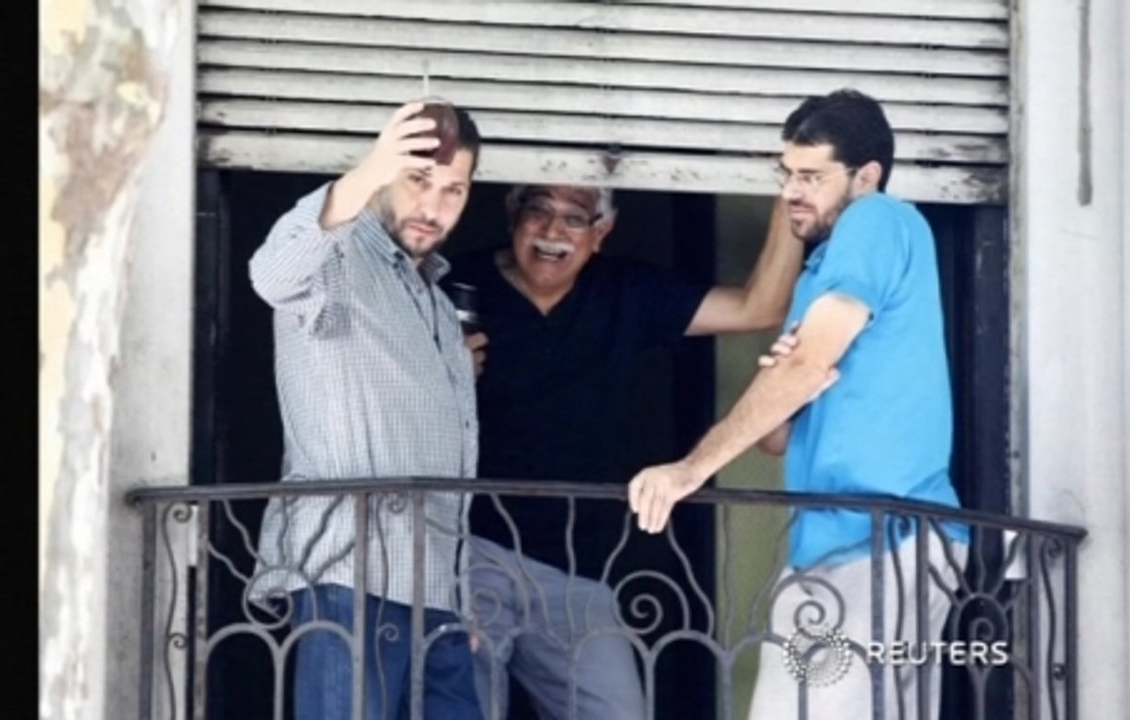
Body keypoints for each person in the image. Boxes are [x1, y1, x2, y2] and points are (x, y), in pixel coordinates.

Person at [626, 88, 970, 720]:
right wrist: (789, 382)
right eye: (786, 174)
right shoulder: (820, 272)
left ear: (866, 177)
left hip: (883, 537)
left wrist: (688, 470)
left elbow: (811, 365)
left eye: (812, 176)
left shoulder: (878, 219)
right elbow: (779, 438)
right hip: (832, 546)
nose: (791, 191)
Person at [445, 182, 805, 719]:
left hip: (580, 569)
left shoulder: (625, 290)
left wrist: (789, 196)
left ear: (601, 233)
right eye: (538, 211)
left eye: (574, 218)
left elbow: (759, 306)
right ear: (512, 216)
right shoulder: (455, 285)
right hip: (470, 552)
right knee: (458, 709)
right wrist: (440, 367)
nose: (551, 231)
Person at [246, 101, 487, 720]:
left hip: (437, 592)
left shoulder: (434, 298)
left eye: (453, 190)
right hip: (350, 578)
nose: (434, 208)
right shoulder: (338, 256)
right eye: (417, 180)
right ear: (384, 173)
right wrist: (366, 171)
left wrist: (462, 594)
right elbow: (270, 274)